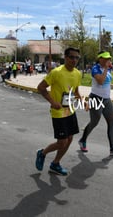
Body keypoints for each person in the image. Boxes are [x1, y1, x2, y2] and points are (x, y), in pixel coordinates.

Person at [35, 47, 82, 176]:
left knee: (70, 138)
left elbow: (76, 91)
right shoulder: (56, 72)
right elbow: (41, 87)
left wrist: (83, 101)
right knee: (62, 142)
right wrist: (52, 102)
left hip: (70, 111)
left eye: (77, 58)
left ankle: (55, 163)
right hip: (58, 112)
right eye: (71, 57)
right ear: (65, 58)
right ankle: (42, 153)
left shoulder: (78, 73)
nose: (74, 60)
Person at [78, 51, 113, 156]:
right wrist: (106, 69)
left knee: (112, 121)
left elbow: (107, 82)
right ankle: (82, 140)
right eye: (106, 58)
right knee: (94, 122)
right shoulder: (95, 69)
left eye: (109, 58)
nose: (108, 60)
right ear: (100, 59)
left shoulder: (107, 70)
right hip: (96, 98)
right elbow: (100, 81)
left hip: (107, 100)